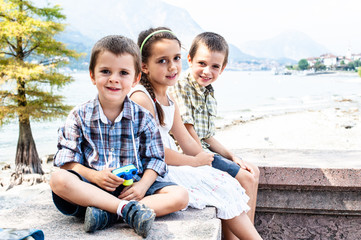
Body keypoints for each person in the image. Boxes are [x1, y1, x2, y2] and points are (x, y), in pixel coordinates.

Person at [49, 35, 188, 238]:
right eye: (105, 71)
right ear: (92, 75)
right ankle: (127, 210)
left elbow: (156, 160)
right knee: (58, 179)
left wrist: (142, 186)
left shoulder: (143, 117)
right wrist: (93, 175)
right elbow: (66, 161)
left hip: (132, 188)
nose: (114, 78)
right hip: (93, 189)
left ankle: (109, 214)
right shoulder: (79, 115)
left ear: (136, 79)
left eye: (123, 73)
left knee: (180, 196)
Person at [130, 27, 262, 240]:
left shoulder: (168, 100)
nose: (172, 67)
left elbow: (187, 141)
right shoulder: (141, 99)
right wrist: (194, 162)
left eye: (176, 58)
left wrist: (206, 159)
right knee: (222, 188)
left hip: (170, 165)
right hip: (153, 170)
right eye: (162, 61)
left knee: (226, 182)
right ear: (144, 66)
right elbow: (154, 153)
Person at [170, 32, 260, 223]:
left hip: (205, 149)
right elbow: (187, 130)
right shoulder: (182, 85)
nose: (207, 71)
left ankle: (248, 229)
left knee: (253, 171)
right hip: (190, 153)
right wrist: (202, 160)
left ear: (223, 68)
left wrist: (232, 156)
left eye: (215, 67)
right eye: (202, 63)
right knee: (245, 178)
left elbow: (208, 137)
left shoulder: (208, 92)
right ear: (190, 60)